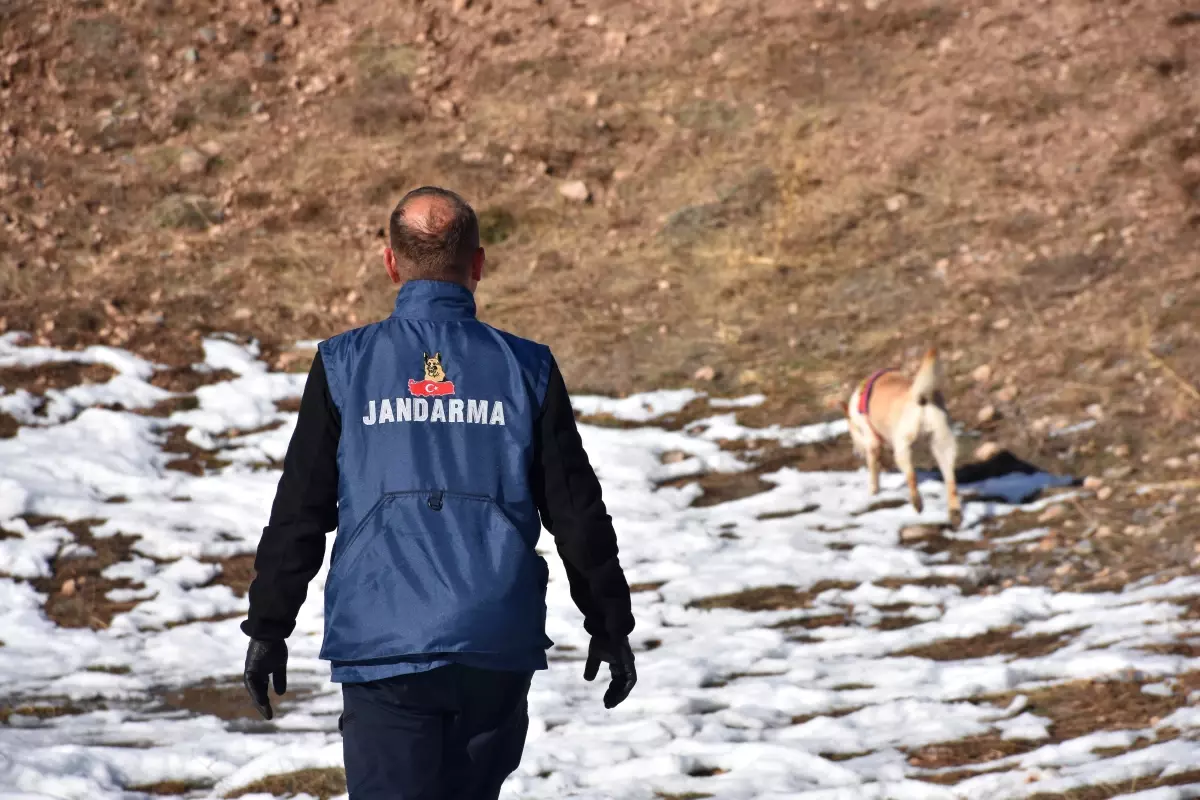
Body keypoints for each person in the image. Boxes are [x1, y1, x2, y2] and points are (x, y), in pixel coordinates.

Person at [240, 186, 637, 799]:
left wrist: (269, 624)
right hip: (493, 640)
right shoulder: (526, 368)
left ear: (391, 263)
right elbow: (575, 510)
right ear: (476, 266)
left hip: (384, 643)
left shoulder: (345, 364)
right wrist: (609, 623)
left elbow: (301, 509)